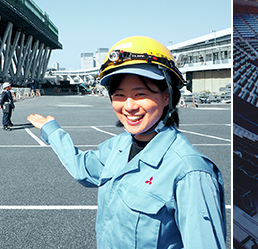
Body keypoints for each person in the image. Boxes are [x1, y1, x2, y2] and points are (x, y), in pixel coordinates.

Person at [27, 36, 226, 248]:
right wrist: (53, 132)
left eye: (140, 94)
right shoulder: (119, 146)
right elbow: (82, 169)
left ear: (166, 96)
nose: (129, 106)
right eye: (119, 95)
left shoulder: (190, 172)